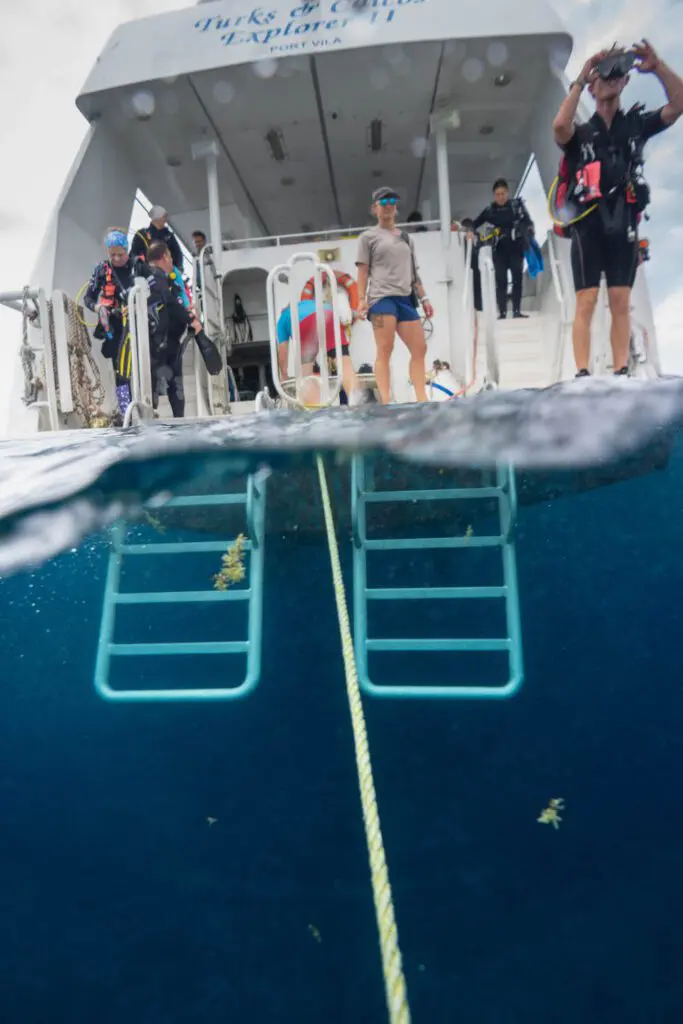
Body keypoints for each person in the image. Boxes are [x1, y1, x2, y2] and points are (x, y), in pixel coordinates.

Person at [552, 40, 683, 377]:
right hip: (587, 224)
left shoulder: (636, 124)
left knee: (621, 300)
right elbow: (559, 127)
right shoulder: (581, 134)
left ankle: (621, 369)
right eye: (603, 73)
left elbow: (678, 104)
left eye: (617, 71)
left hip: (623, 220)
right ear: (592, 87)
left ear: (626, 80)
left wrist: (658, 67)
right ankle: (582, 373)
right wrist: (582, 76)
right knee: (586, 299)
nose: (610, 77)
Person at [355, 187, 434, 404]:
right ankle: (386, 400)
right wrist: (361, 299)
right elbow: (362, 271)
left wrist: (424, 298)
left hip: (405, 298)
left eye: (392, 202)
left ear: (396, 208)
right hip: (381, 299)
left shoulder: (407, 238)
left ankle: (421, 398)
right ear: (375, 208)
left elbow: (414, 273)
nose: (388, 205)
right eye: (383, 202)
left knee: (420, 348)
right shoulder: (368, 237)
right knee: (385, 349)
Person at [138, 241, 221, 417]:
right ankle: (153, 418)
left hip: (169, 343)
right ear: (164, 257)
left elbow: (173, 302)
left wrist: (187, 312)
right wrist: (190, 319)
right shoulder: (155, 276)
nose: (171, 262)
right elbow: (168, 301)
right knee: (161, 387)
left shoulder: (166, 279)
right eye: (170, 258)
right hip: (159, 344)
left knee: (174, 386)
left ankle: (174, 419)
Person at [83, 228, 139, 419]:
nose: (116, 258)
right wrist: (97, 307)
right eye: (112, 254)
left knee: (139, 366)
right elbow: (88, 298)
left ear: (127, 250)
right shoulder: (101, 270)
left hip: (137, 325)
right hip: (115, 327)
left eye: (120, 255)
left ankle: (144, 403)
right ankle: (125, 411)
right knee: (120, 370)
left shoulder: (137, 266)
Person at [276, 297, 363, 405]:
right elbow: (339, 311)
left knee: (306, 375)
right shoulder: (311, 303)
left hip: (305, 323)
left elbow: (283, 350)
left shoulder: (282, 319)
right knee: (344, 363)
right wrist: (356, 314)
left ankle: (315, 407)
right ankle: (355, 398)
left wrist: (284, 375)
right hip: (329, 315)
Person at [473, 180, 534, 320]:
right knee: (501, 281)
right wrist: (470, 231)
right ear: (494, 195)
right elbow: (475, 223)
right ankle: (502, 312)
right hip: (499, 249)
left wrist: (526, 231)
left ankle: (517, 311)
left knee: (517, 279)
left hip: (516, 248)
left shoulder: (516, 206)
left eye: (503, 194)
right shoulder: (490, 210)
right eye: (497, 194)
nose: (500, 197)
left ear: (507, 193)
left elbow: (528, 222)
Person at [130, 204, 184, 271]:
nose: (166, 219)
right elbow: (133, 254)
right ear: (157, 218)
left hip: (165, 273)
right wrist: (139, 264)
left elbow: (178, 254)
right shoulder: (142, 234)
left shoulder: (169, 236)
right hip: (146, 273)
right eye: (164, 217)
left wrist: (178, 269)